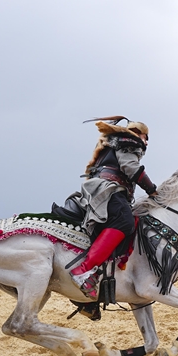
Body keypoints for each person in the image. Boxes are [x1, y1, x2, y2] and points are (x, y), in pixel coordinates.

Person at [68, 116, 158, 298]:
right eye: (146, 137)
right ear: (139, 134)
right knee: (125, 222)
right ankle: (84, 271)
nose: (146, 142)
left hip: (98, 188)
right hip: (109, 189)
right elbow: (131, 169)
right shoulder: (130, 142)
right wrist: (152, 190)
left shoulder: (111, 143)